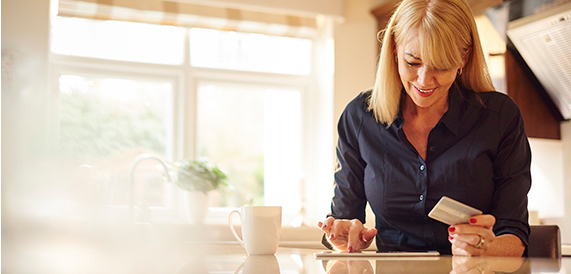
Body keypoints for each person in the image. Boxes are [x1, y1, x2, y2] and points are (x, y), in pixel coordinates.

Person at [318, 0, 531, 256]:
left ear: (463, 57)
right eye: (413, 62)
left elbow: (515, 235)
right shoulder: (359, 117)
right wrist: (343, 237)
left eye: (441, 66)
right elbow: (343, 220)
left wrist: (486, 248)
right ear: (395, 50)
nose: (424, 80)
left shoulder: (499, 117)